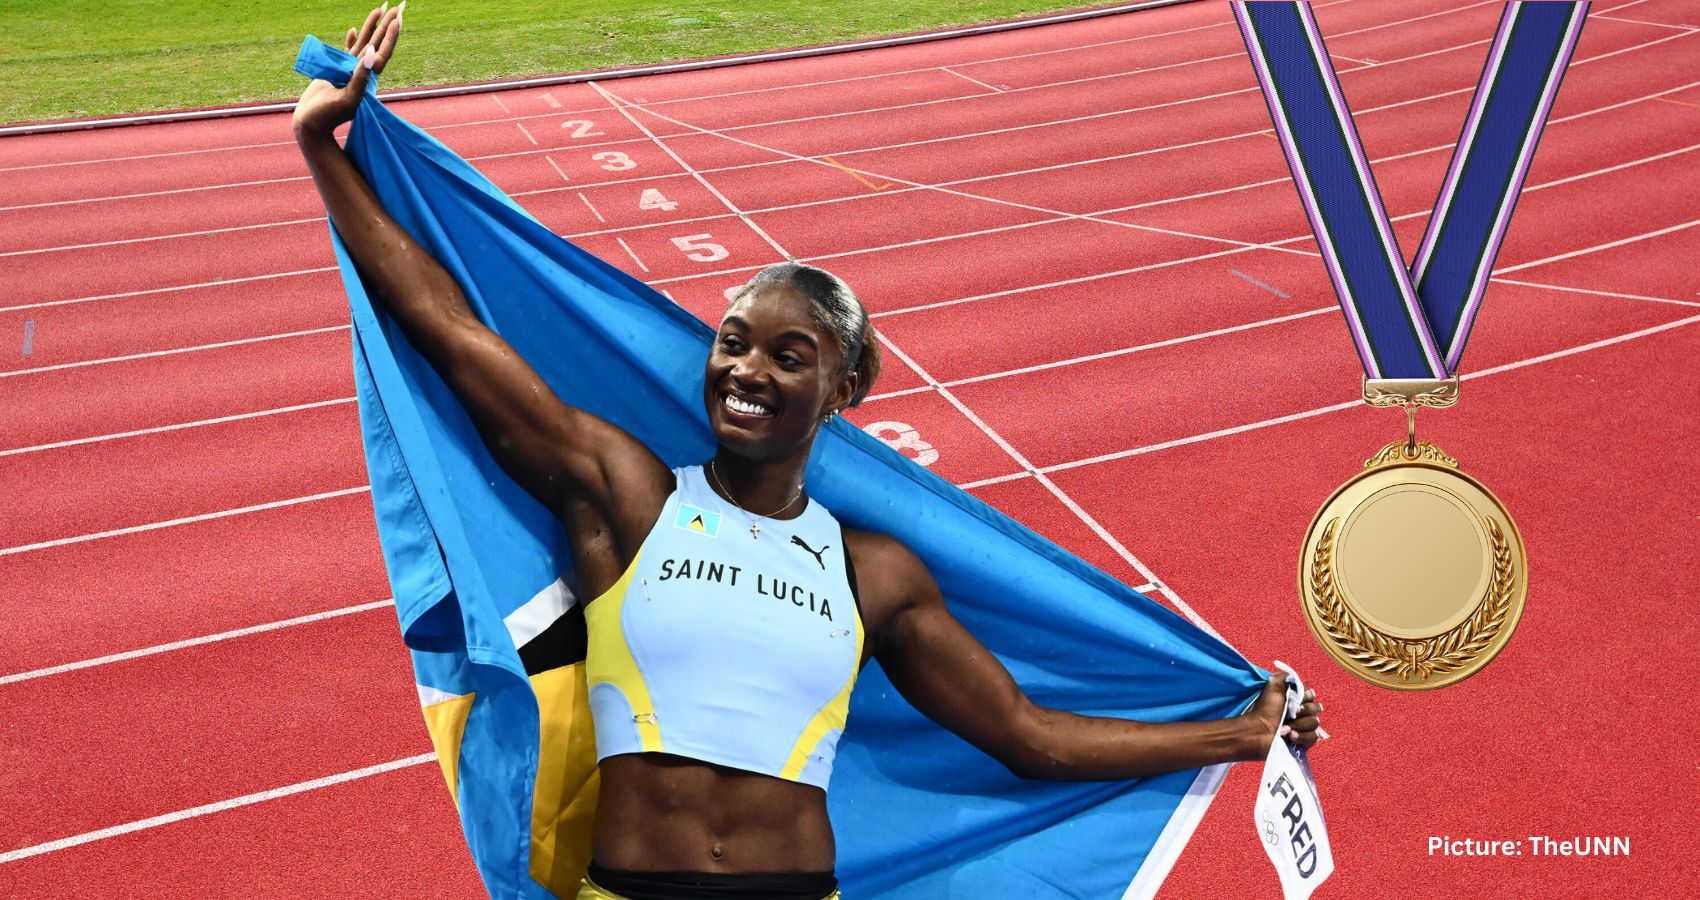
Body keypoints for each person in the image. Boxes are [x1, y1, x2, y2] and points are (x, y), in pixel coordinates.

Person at [294, 6, 1324, 899]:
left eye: (788, 356)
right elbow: (449, 330)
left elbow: (1026, 733)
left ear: (843, 392)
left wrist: (1240, 731)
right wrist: (325, 153)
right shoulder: (626, 497)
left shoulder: (872, 573)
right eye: (732, 342)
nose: (745, 370)